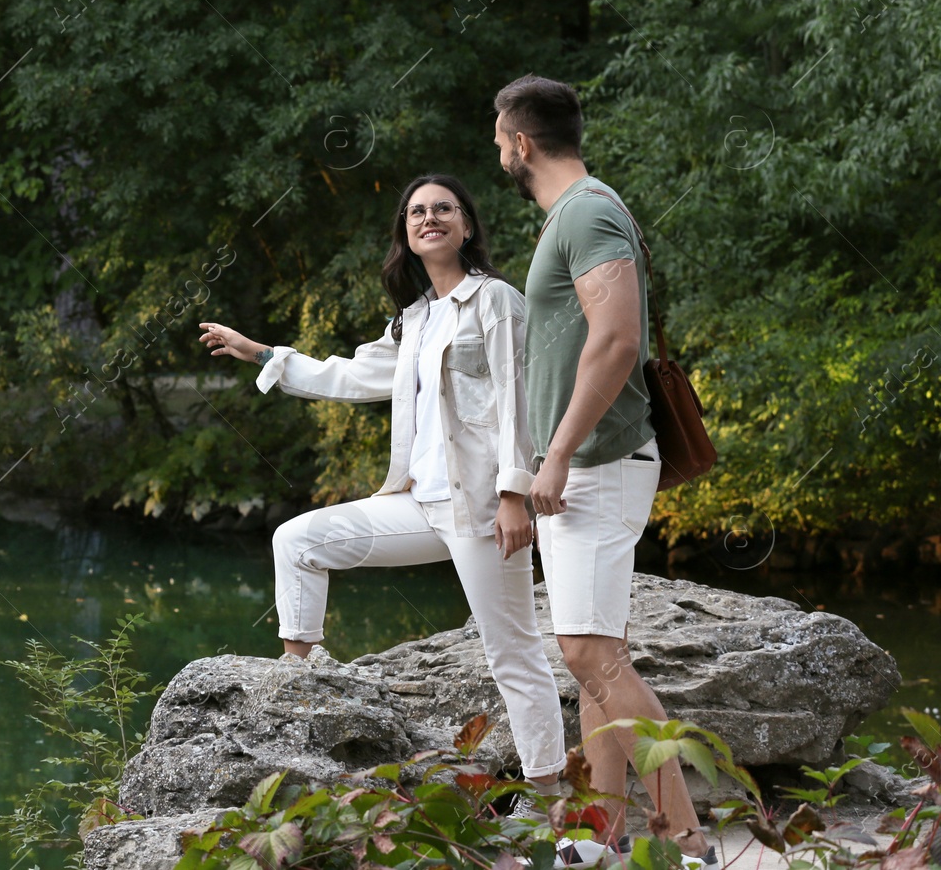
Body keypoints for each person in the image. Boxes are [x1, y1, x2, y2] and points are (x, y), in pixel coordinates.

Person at [197, 173, 566, 800]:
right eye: (417, 211)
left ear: (467, 225)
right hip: (419, 501)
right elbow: (345, 375)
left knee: (513, 654)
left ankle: (554, 800)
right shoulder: (415, 320)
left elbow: (519, 399)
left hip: (480, 508)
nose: (430, 218)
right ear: (406, 232)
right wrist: (260, 353)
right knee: (298, 540)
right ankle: (302, 675)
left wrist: (514, 494)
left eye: (444, 208)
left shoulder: (497, 300)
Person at [493, 73, 714, 867]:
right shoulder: (577, 213)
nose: (497, 151)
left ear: (521, 142)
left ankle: (688, 841)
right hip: (586, 468)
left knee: (591, 657)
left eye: (499, 138)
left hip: (596, 466)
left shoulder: (585, 210)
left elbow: (616, 338)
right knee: (595, 660)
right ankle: (600, 837)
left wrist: (552, 456)